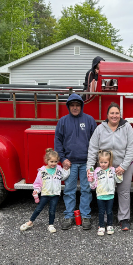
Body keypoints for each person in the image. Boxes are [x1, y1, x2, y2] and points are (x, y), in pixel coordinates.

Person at [87, 102, 133, 231]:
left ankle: (123, 219)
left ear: (120, 115)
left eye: (117, 113)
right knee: (103, 192)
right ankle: (103, 220)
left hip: (123, 166)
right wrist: (90, 168)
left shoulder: (127, 127)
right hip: (104, 166)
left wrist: (123, 166)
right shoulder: (100, 129)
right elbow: (92, 148)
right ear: (107, 115)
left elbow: (131, 148)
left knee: (124, 192)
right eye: (112, 113)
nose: (114, 116)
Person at [54, 93, 97, 230]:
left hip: (87, 163)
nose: (75, 107)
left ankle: (85, 216)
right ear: (68, 107)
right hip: (69, 163)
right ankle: (69, 216)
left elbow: (95, 142)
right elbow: (58, 142)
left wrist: (93, 160)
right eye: (72, 105)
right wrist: (63, 159)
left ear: (81, 106)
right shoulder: (62, 121)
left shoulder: (90, 120)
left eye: (77, 105)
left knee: (86, 190)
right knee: (69, 190)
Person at [20, 148, 70, 233]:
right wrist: (36, 191)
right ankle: (30, 222)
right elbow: (38, 184)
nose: (54, 163)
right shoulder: (42, 171)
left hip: (55, 194)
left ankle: (51, 225)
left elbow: (63, 177)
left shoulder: (59, 169)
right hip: (45, 194)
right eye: (51, 161)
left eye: (55, 161)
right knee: (38, 208)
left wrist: (66, 169)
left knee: (52, 210)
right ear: (47, 161)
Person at [89, 150, 123, 236]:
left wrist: (119, 174)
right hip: (100, 195)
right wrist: (92, 180)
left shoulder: (112, 170)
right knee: (101, 212)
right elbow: (93, 186)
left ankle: (110, 225)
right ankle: (101, 226)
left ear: (109, 161)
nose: (103, 164)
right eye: (101, 162)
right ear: (98, 162)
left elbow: (119, 180)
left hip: (110, 195)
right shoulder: (96, 171)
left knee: (109, 211)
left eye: (105, 162)